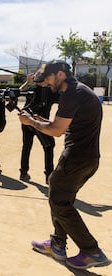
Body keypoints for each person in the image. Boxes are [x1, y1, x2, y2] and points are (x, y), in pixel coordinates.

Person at [18, 60, 110, 270]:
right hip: (87, 158)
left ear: (60, 74)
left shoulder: (72, 94)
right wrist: (39, 119)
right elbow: (62, 125)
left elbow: (56, 130)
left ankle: (91, 251)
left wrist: (31, 122)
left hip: (77, 158)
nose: (47, 84)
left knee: (59, 202)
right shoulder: (80, 91)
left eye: (48, 79)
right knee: (59, 195)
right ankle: (58, 244)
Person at [18, 74, 59, 183]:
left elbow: (16, 93)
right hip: (41, 123)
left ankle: (23, 173)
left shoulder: (31, 89)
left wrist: (27, 82)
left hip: (26, 120)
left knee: (26, 146)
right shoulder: (51, 91)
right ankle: (49, 175)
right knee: (49, 146)